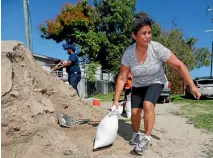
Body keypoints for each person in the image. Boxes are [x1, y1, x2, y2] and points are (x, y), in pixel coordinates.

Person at [113, 12, 201, 155]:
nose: (148, 36)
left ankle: (146, 138)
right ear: (134, 36)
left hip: (156, 81)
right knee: (135, 112)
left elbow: (179, 65)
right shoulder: (129, 53)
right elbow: (122, 77)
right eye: (144, 33)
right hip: (138, 84)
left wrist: (192, 85)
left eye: (149, 33)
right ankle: (136, 134)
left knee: (148, 104)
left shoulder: (157, 48)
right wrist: (116, 100)